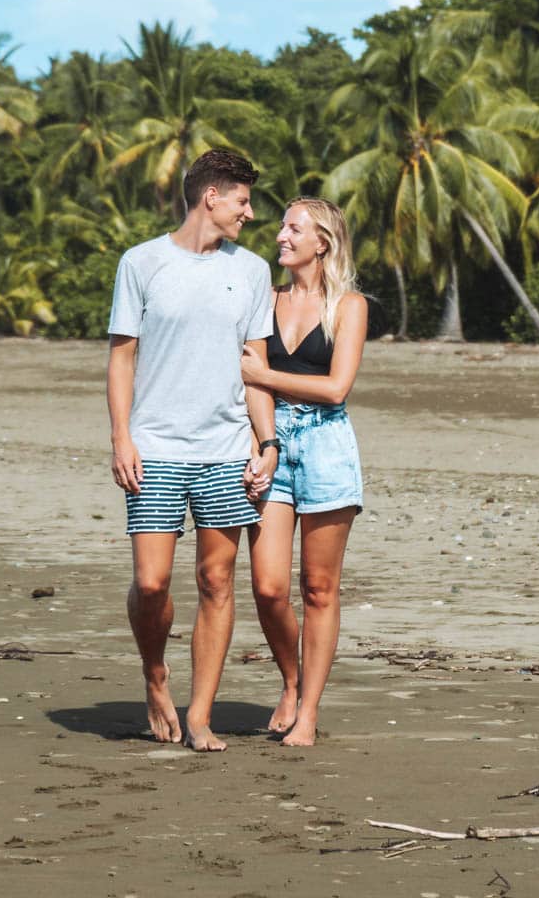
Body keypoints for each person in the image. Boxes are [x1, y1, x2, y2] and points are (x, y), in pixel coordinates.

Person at [107, 149, 280, 752]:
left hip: (226, 448)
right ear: (211, 195)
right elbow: (122, 355)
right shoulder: (142, 262)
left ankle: (200, 714)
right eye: (242, 200)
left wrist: (267, 442)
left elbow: (255, 366)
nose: (250, 213)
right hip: (153, 448)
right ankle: (156, 675)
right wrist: (121, 436)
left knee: (215, 580)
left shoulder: (253, 271)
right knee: (152, 583)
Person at [241, 197, 368, 747]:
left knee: (319, 589)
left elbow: (337, 388)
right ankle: (291, 681)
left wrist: (268, 375)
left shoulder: (350, 306)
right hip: (271, 442)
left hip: (326, 446)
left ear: (323, 241)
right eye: (282, 226)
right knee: (268, 588)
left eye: (295, 228)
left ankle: (309, 710)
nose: (281, 235)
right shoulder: (262, 300)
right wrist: (265, 441)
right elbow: (248, 381)